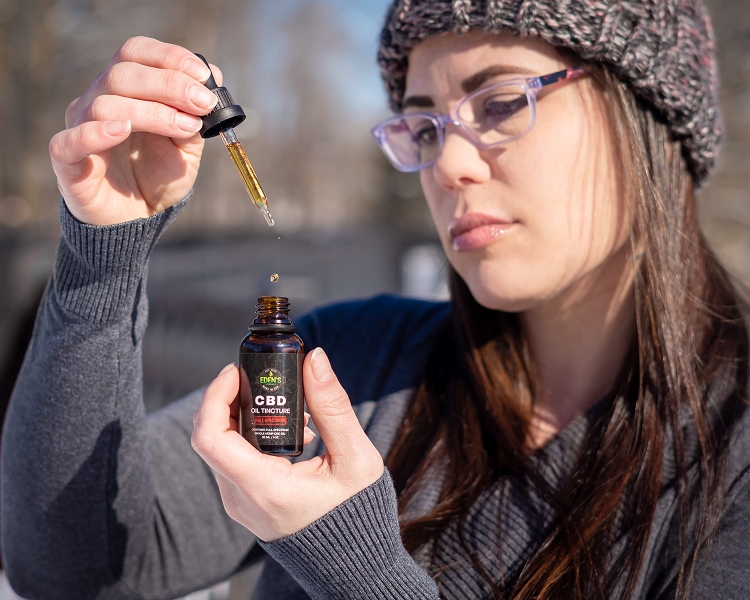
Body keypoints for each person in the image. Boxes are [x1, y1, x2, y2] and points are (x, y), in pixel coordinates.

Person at [2, 0, 749, 598]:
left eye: (497, 103)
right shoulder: (358, 369)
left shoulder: (734, 453)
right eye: (423, 125)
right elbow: (74, 568)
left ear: (647, 112)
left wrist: (349, 563)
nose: (448, 164)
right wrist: (102, 261)